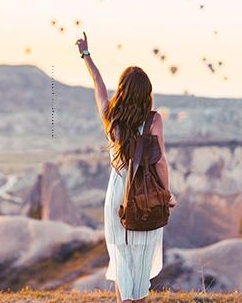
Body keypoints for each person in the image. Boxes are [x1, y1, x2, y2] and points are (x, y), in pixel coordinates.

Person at [75, 31, 177, 303]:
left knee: (120, 258)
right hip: (145, 195)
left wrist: (86, 54)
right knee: (140, 263)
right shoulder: (154, 120)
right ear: (147, 94)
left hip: (117, 194)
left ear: (122, 90)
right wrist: (167, 194)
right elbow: (161, 162)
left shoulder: (111, 116)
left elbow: (97, 82)